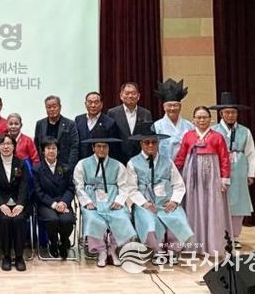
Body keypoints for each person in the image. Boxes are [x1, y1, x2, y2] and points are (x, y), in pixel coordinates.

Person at [126, 122, 194, 263]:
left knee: (179, 220)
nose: (150, 145)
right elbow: (132, 189)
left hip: (166, 202)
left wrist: (174, 201)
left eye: (154, 142)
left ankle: (173, 251)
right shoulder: (133, 163)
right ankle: (157, 252)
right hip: (145, 204)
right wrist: (144, 203)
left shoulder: (168, 162)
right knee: (149, 223)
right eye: (147, 142)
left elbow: (178, 184)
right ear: (141, 144)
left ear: (158, 143)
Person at [174, 106, 232, 256]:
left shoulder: (217, 137)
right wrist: (171, 172)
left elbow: (224, 159)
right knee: (192, 207)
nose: (201, 120)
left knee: (212, 207)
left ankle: (212, 244)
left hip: (212, 177)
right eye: (198, 117)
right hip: (191, 177)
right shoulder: (188, 136)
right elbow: (181, 156)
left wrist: (224, 180)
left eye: (204, 117)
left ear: (210, 119)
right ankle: (193, 244)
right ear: (193, 120)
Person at [73, 134, 136, 267]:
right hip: (92, 200)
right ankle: (101, 251)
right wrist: (86, 201)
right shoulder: (82, 164)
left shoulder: (118, 165)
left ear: (108, 148)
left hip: (112, 199)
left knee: (122, 217)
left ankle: (112, 250)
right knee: (92, 219)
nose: (101, 149)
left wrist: (119, 201)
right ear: (93, 148)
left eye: (105, 146)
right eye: (98, 146)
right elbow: (78, 186)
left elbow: (124, 186)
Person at [210, 92, 255, 249]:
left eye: (233, 112)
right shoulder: (214, 131)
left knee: (239, 204)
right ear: (221, 114)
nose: (230, 115)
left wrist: (250, 173)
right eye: (227, 112)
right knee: (221, 204)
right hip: (220, 170)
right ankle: (222, 236)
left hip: (240, 169)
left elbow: (251, 153)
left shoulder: (245, 131)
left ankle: (234, 236)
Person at [0, 134, 29, 271]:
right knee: (5, 220)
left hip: (18, 203)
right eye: (2, 144)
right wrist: (1, 205)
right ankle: (6, 256)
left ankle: (19, 257)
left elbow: (24, 186)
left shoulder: (21, 163)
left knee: (19, 220)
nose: (6, 147)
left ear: (14, 146)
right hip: (0, 204)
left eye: (9, 144)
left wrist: (20, 204)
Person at [33, 136, 76, 260]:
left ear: (58, 151)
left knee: (67, 220)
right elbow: (38, 192)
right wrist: (53, 204)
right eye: (48, 148)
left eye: (54, 148)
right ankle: (53, 241)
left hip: (63, 202)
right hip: (46, 203)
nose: (51, 151)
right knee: (52, 219)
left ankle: (63, 241)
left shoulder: (66, 167)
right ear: (43, 151)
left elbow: (70, 188)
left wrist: (63, 202)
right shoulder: (37, 169)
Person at [107, 82, 154, 164]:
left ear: (138, 96)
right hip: (118, 158)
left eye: (133, 93)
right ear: (121, 96)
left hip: (140, 158)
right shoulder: (112, 113)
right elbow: (110, 137)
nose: (130, 96)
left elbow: (148, 136)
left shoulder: (146, 113)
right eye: (127, 93)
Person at [153, 79, 194, 161]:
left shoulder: (189, 126)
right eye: (169, 105)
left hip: (185, 165)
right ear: (164, 107)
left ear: (180, 107)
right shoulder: (157, 126)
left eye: (175, 105)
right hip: (164, 165)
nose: (172, 108)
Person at [34, 95, 79, 169]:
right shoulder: (40, 124)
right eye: (49, 107)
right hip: (44, 166)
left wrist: (70, 166)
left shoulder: (70, 124)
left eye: (54, 106)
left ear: (60, 107)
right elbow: (37, 145)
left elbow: (74, 147)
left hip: (64, 165)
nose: (52, 109)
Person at [74, 91, 120, 161]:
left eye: (96, 102)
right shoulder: (78, 120)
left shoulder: (110, 122)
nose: (93, 105)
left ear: (101, 104)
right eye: (90, 102)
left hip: (101, 161)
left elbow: (113, 148)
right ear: (85, 104)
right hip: (81, 161)